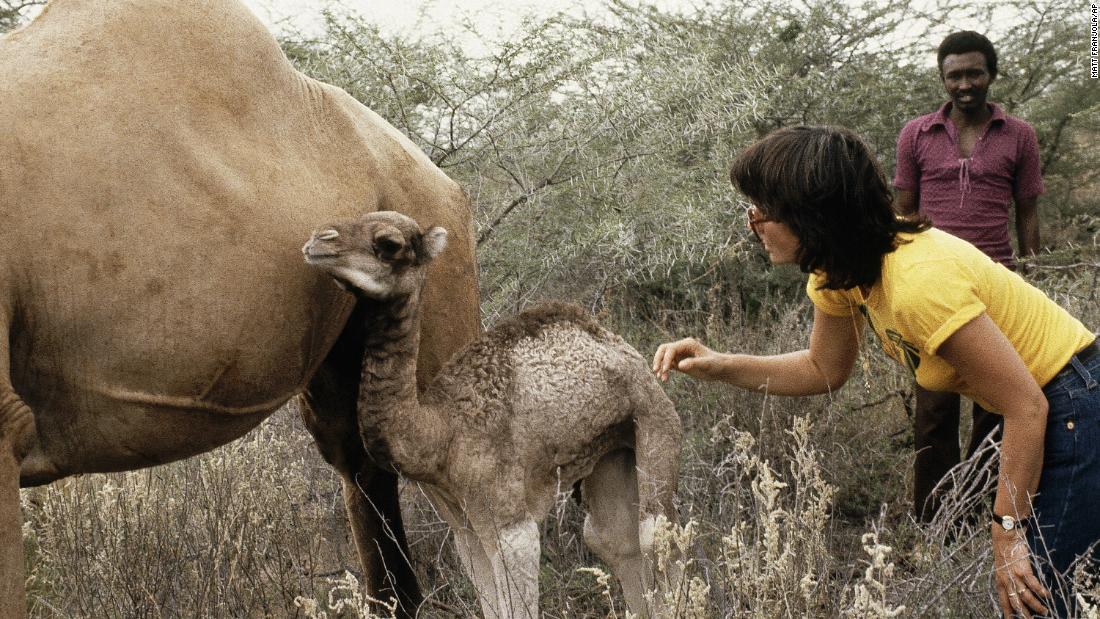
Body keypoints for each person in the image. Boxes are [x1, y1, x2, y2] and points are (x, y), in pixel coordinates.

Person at [653, 125, 1098, 618]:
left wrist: (1006, 534)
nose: (752, 223)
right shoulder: (838, 272)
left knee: (1041, 597)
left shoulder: (917, 284)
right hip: (1049, 404)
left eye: (763, 210)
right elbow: (823, 369)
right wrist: (719, 365)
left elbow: (1026, 405)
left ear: (812, 216)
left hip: (1075, 402)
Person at [895, 30, 1045, 523]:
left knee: (997, 408)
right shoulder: (916, 134)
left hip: (996, 287)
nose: (964, 84)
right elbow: (904, 213)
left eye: (973, 73)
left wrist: (1033, 277)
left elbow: (1027, 213)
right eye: (954, 75)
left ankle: (980, 514)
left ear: (991, 75)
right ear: (942, 78)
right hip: (932, 290)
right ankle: (933, 525)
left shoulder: (1018, 134)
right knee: (933, 412)